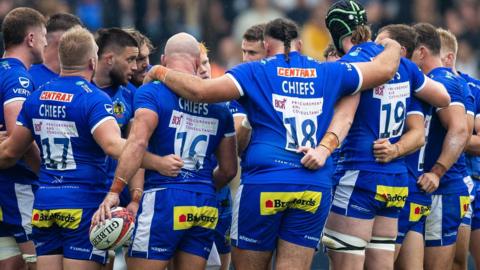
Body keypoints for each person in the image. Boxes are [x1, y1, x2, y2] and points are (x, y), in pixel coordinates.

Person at [144, 17, 403, 270]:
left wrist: (159, 71)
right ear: (299, 45)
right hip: (311, 185)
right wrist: (391, 44)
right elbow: (385, 70)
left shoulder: (255, 70)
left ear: (266, 47)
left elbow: (201, 92)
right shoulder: (328, 70)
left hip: (265, 183)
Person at [0, 26, 171, 270]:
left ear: (61, 58)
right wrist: (158, 162)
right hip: (84, 204)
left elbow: (9, 153)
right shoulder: (94, 98)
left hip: (45, 204)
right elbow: (114, 146)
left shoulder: (36, 97)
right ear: (93, 61)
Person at [93, 32, 238, 270]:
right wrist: (199, 185)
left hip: (163, 198)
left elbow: (137, 144)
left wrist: (115, 191)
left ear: (163, 59)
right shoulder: (219, 106)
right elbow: (230, 169)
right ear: (195, 61)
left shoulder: (151, 92)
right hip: (205, 202)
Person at [322, 2, 450, 269]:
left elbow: (344, 118)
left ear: (336, 33)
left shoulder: (353, 65)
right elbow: (442, 97)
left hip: (359, 175)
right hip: (394, 181)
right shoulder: (403, 66)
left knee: (348, 264)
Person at [411, 23, 472, 270]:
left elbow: (460, 130)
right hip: (428, 190)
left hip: (443, 190)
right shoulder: (428, 81)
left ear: (422, 52)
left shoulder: (443, 80)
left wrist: (437, 172)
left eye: (409, 51)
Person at [374, 23, 434, 270]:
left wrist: (394, 150)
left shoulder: (408, 85)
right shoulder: (422, 86)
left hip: (398, 184)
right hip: (410, 186)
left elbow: (419, 135)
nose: (376, 50)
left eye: (383, 45)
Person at [0, 7, 46, 270]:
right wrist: (45, 173)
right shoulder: (18, 76)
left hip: (5, 190)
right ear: (30, 39)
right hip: (17, 187)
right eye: (43, 36)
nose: (46, 43)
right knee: (40, 262)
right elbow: (21, 138)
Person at [437, 28, 478, 270]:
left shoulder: (473, 88)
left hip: (467, 179)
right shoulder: (422, 87)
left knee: (458, 260)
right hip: (433, 181)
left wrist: (455, 138)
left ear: (449, 58)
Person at [198, 43, 232, 270]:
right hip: (185, 197)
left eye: (205, 62)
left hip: (220, 195)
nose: (203, 69)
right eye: (197, 64)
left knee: (222, 263)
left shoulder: (224, 102)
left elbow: (230, 168)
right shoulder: (167, 102)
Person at [29, 13, 83, 89]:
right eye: (80, 41)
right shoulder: (27, 78)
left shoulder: (83, 82)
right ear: (63, 42)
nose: (84, 47)